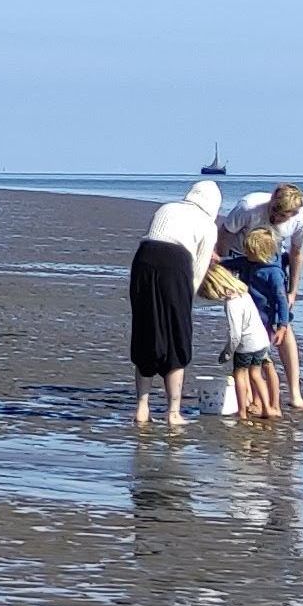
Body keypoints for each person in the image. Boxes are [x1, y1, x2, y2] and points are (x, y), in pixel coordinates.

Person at [130, 175, 224, 427]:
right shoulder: (208, 225)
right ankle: (173, 412)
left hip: (143, 260)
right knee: (176, 337)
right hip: (176, 264)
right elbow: (199, 268)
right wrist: (185, 301)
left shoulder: (167, 207)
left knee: (145, 330)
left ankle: (141, 408)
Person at [224, 181, 303, 409]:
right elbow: (224, 234)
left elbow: (296, 253)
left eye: (286, 215)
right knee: (249, 329)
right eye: (277, 213)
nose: (279, 218)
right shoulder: (249, 207)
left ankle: (294, 393)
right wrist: (219, 270)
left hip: (272, 262)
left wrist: (293, 291)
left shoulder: (300, 219)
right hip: (243, 259)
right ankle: (253, 398)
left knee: (284, 328)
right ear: (272, 202)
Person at [214, 257, 281, 419]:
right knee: (256, 375)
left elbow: (235, 334)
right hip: (261, 341)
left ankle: (242, 412)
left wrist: (227, 352)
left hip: (246, 345)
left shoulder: (231, 304)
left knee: (240, 374)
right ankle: (267, 408)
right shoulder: (244, 293)